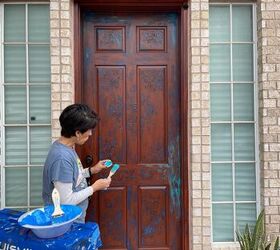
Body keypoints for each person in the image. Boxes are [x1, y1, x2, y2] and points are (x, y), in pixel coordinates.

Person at [42, 104, 111, 223]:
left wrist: (92, 170)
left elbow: (73, 177)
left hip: (72, 219)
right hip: (66, 222)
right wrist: (94, 187)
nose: (90, 134)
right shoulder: (61, 158)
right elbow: (66, 201)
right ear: (78, 133)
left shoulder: (67, 148)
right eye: (89, 130)